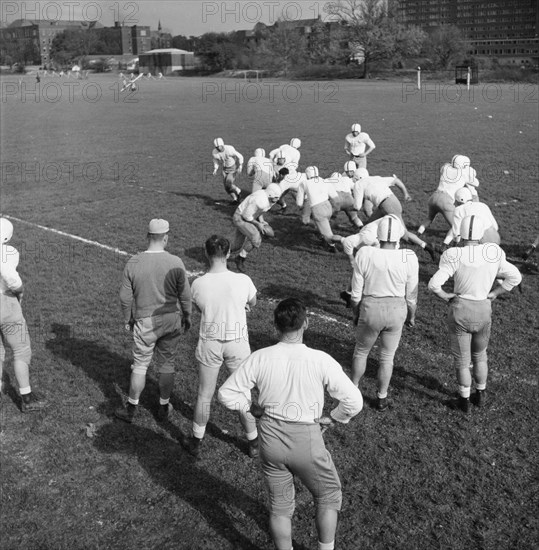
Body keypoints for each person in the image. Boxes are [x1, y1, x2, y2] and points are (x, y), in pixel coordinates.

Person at [218, 298, 363, 550]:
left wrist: (250, 408)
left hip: (270, 441)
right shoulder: (321, 360)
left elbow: (226, 394)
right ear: (305, 323)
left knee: (280, 508)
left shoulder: (260, 358)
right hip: (306, 440)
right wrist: (334, 417)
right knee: (328, 495)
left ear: (276, 326)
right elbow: (354, 401)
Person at [428, 215, 522, 412]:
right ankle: (480, 394)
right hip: (483, 309)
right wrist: (495, 293)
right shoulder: (493, 252)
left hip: (460, 310)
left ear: (461, 233)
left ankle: (463, 401)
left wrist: (446, 296)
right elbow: (515, 276)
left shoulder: (453, 254)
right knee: (480, 355)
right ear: (481, 234)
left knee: (463, 362)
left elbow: (434, 284)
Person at [180, 235, 259, 458]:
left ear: (206, 254)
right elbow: (252, 302)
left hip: (211, 342)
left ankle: (196, 440)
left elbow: (198, 307)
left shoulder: (198, 283)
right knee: (243, 394)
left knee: (204, 394)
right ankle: (253, 442)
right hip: (238, 343)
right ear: (228, 254)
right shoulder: (243, 280)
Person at [116, 219, 192, 423]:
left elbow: (124, 297)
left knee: (140, 365)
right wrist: (187, 316)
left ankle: (131, 408)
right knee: (167, 364)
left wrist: (127, 318)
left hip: (145, 321)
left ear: (147, 236)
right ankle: (163, 406)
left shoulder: (134, 262)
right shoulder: (176, 262)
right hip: (171, 320)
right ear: (166, 237)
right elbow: (185, 295)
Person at [350, 216, 419, 410]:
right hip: (397, 309)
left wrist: (356, 314)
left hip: (371, 307)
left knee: (361, 351)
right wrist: (411, 316)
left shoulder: (365, 252)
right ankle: (381, 397)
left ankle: (353, 390)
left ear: (378, 234)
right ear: (398, 235)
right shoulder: (408, 256)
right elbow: (411, 296)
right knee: (387, 358)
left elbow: (355, 295)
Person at [0, 218, 48, 417]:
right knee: (21, 350)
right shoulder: (8, 252)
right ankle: (26, 398)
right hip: (6, 304)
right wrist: (20, 291)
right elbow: (10, 276)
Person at [353, 168, 437, 261]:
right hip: (389, 203)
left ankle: (426, 246)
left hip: (388, 205)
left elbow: (357, 206)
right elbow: (396, 180)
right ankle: (363, 246)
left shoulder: (358, 184)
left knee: (404, 234)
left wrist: (346, 206)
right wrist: (405, 194)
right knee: (370, 225)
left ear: (357, 178)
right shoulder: (376, 178)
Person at [417, 154, 474, 236]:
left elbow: (445, 167)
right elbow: (475, 183)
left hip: (434, 197)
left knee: (429, 219)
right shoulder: (463, 173)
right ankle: (449, 244)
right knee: (455, 226)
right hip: (446, 201)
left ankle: (418, 233)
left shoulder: (445, 168)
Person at [232, 184, 282, 272]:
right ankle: (240, 258)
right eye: (276, 197)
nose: (278, 199)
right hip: (239, 218)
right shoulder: (260, 200)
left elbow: (259, 211)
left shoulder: (268, 198)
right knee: (256, 238)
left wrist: (261, 220)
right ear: (270, 194)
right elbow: (246, 215)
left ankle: (218, 253)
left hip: (246, 217)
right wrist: (258, 224)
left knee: (236, 246)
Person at [296, 166, 344, 253]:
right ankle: (324, 239)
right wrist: (335, 208)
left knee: (328, 235)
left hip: (317, 209)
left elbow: (299, 201)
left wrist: (300, 206)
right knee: (324, 226)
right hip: (328, 206)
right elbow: (335, 197)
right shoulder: (325, 181)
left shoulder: (304, 183)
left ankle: (336, 244)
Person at [212, 137, 244, 203]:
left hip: (232, 168)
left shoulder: (229, 149)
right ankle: (235, 199)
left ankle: (238, 190)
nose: (218, 148)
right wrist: (215, 169)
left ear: (222, 144)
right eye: (216, 147)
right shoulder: (215, 152)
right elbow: (215, 160)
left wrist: (240, 166)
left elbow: (240, 156)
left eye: (219, 146)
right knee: (226, 187)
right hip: (224, 169)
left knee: (228, 183)